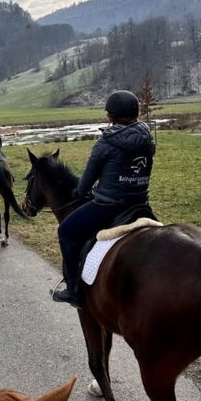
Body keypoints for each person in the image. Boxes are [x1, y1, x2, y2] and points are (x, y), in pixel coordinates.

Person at [51, 90, 156, 308]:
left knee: (66, 232)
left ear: (111, 115)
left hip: (109, 205)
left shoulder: (105, 142)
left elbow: (85, 184)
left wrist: (78, 193)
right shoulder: (147, 137)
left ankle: (73, 291)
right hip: (140, 204)